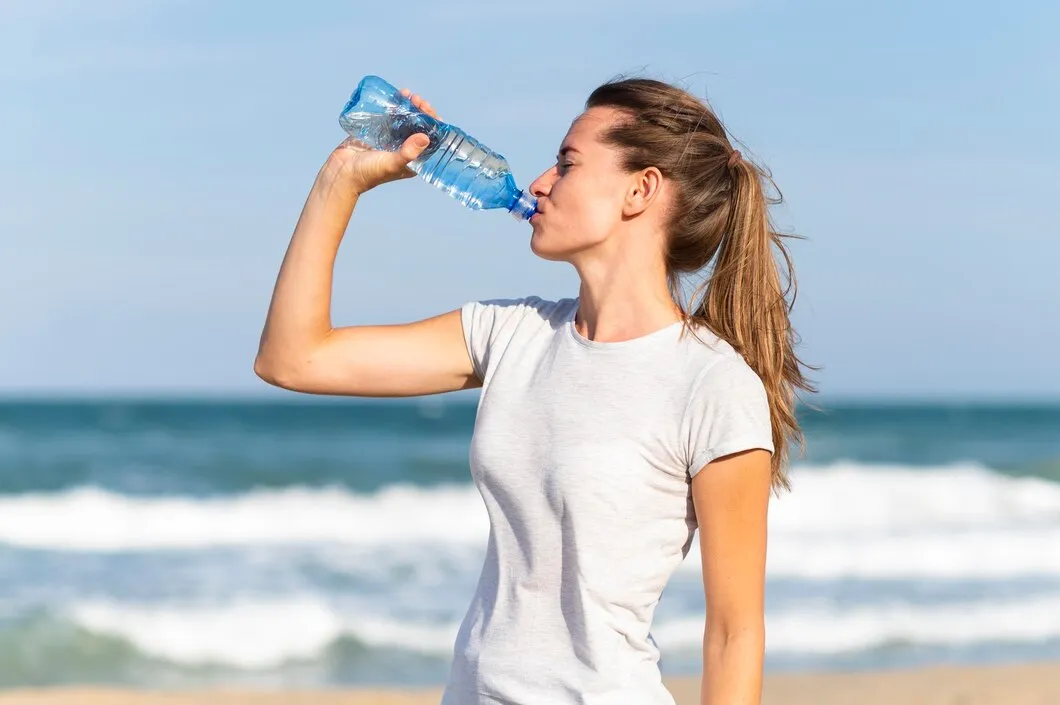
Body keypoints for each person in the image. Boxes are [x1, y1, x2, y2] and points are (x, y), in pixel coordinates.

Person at [255, 76, 816, 705]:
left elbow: (734, 634)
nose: (541, 181)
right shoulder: (510, 333)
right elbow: (293, 359)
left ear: (641, 189)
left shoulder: (710, 383)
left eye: (568, 163)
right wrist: (341, 183)